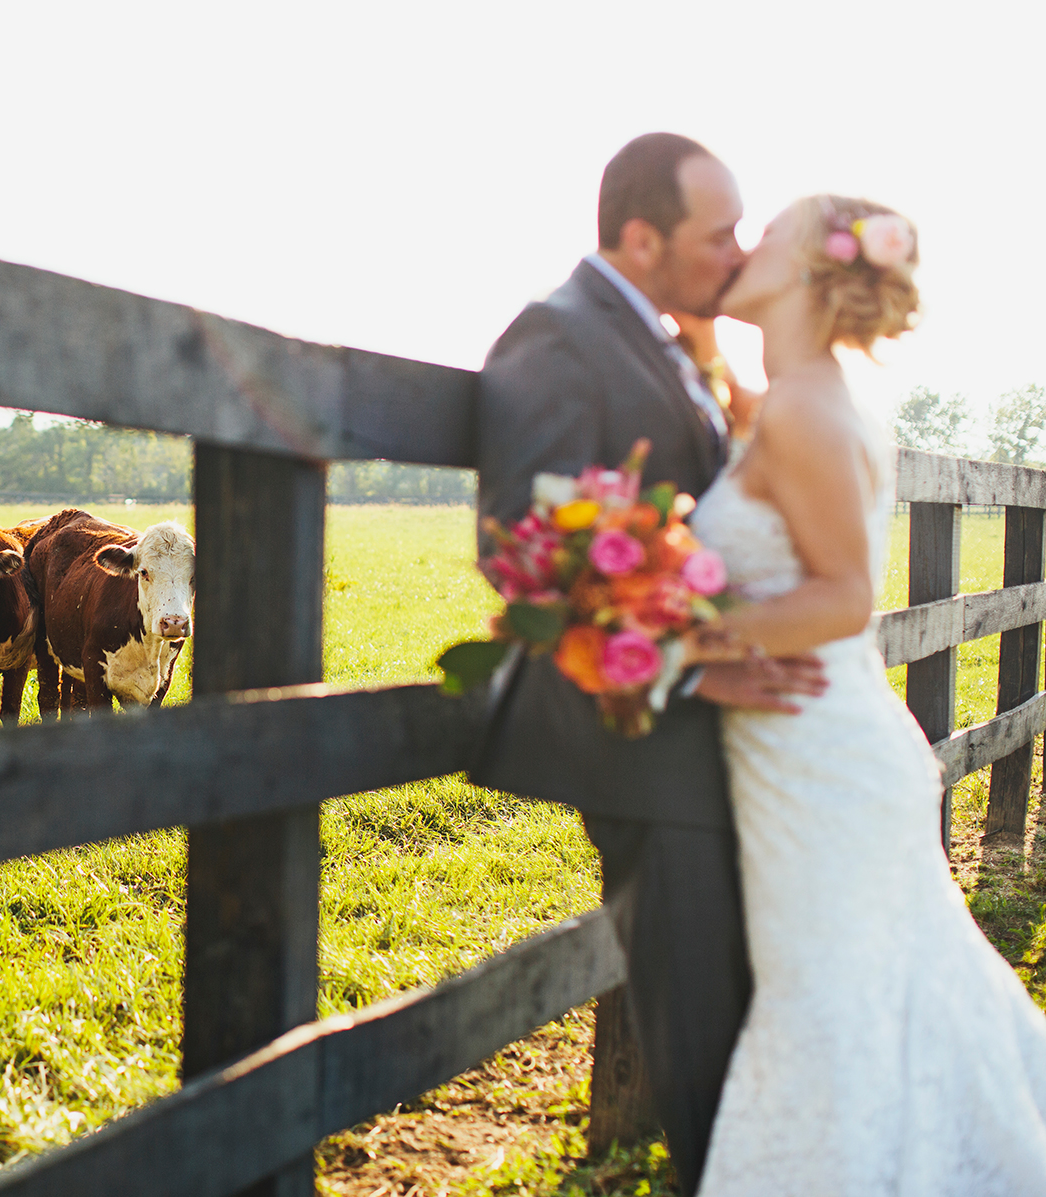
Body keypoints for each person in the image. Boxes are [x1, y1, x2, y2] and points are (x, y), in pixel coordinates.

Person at [472, 133, 826, 1189]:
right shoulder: (558, 334)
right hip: (641, 743)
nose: (736, 251)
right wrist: (687, 666)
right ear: (640, 237)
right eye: (718, 233)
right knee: (704, 1040)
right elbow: (521, 544)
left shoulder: (665, 343)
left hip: (707, 740)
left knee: (744, 1020)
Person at [685, 195, 1046, 1194]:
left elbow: (843, 597)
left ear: (807, 270)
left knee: (835, 1016)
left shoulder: (805, 407)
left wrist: (670, 641)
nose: (743, 243)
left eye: (765, 232)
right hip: (816, 749)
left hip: (818, 763)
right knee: (887, 1009)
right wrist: (698, 340)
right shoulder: (798, 397)